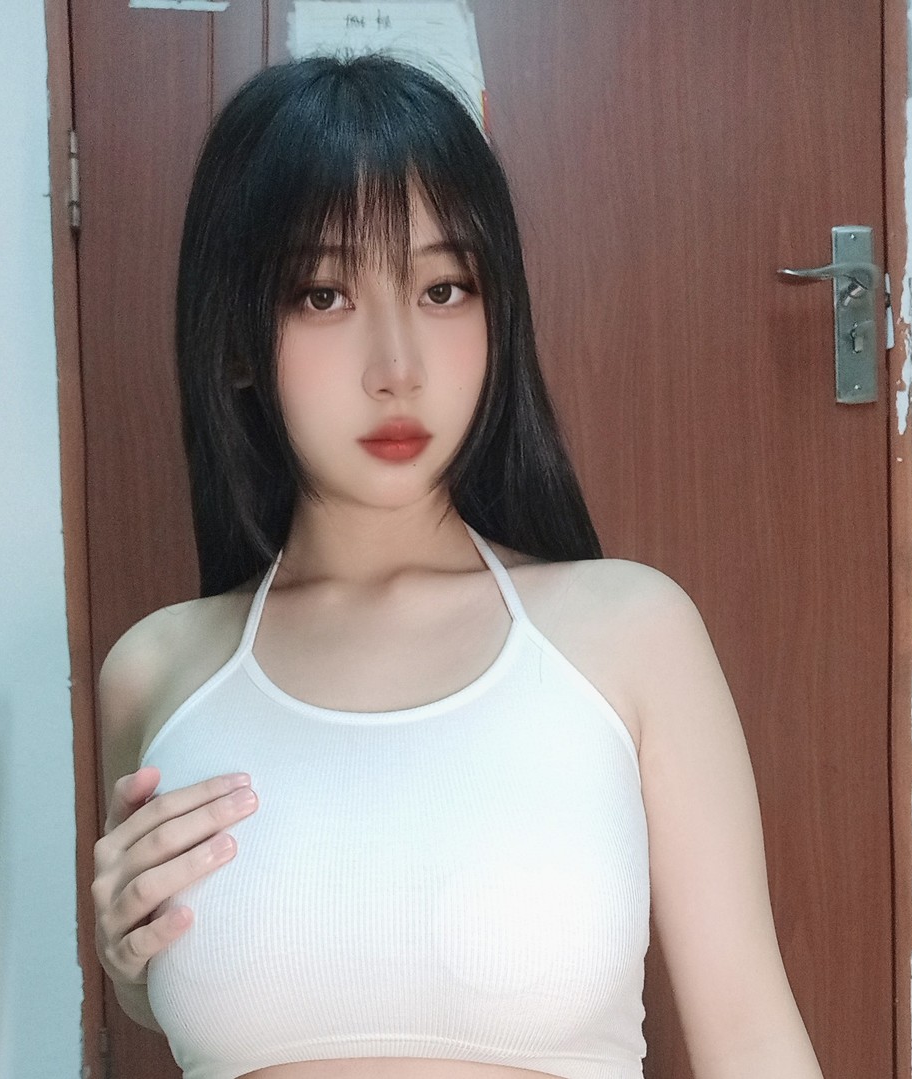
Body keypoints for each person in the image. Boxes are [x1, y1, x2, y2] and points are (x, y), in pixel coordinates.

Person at [91, 52, 824, 1079]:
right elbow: (175, 996)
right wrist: (128, 962)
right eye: (321, 294)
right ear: (237, 342)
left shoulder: (628, 634)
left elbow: (750, 1037)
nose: (397, 367)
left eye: (442, 288)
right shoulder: (159, 671)